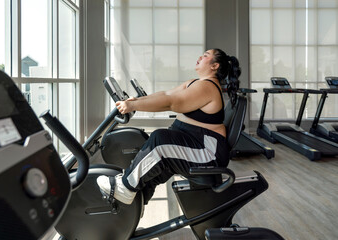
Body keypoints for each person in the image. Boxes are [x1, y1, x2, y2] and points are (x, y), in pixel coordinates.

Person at [97, 48, 241, 205]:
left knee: (160, 141)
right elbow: (166, 95)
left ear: (215, 66)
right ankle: (138, 200)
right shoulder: (195, 83)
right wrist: (135, 102)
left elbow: (172, 103)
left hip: (208, 153)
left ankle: (125, 187)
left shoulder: (208, 87)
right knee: (156, 158)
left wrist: (133, 106)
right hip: (196, 144)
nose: (200, 56)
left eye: (206, 56)